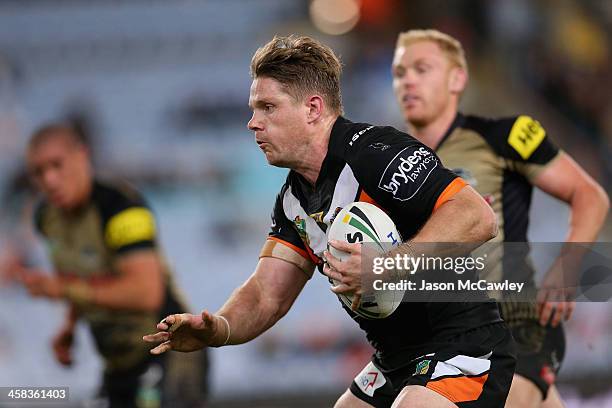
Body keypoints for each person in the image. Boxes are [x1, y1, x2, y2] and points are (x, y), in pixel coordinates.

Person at [144, 35, 517, 408]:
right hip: (394, 360)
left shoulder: (377, 153)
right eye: (254, 109)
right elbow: (267, 295)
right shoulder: (293, 201)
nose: (252, 123)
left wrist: (387, 264)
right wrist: (218, 329)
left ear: (313, 108)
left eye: (267, 107)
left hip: (463, 343)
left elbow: (476, 216)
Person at [390, 29, 609, 408]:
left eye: (422, 68)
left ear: (457, 79)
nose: (408, 79)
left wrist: (568, 266)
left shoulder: (503, 136)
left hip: (514, 322)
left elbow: (589, 195)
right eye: (399, 72)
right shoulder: (387, 165)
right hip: (442, 333)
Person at [18, 124, 209, 408]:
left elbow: (146, 293)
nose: (50, 179)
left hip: (171, 350)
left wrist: (64, 289)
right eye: (39, 171)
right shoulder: (46, 218)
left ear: (82, 156)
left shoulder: (122, 206)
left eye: (57, 165)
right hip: (120, 363)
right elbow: (77, 276)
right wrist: (69, 328)